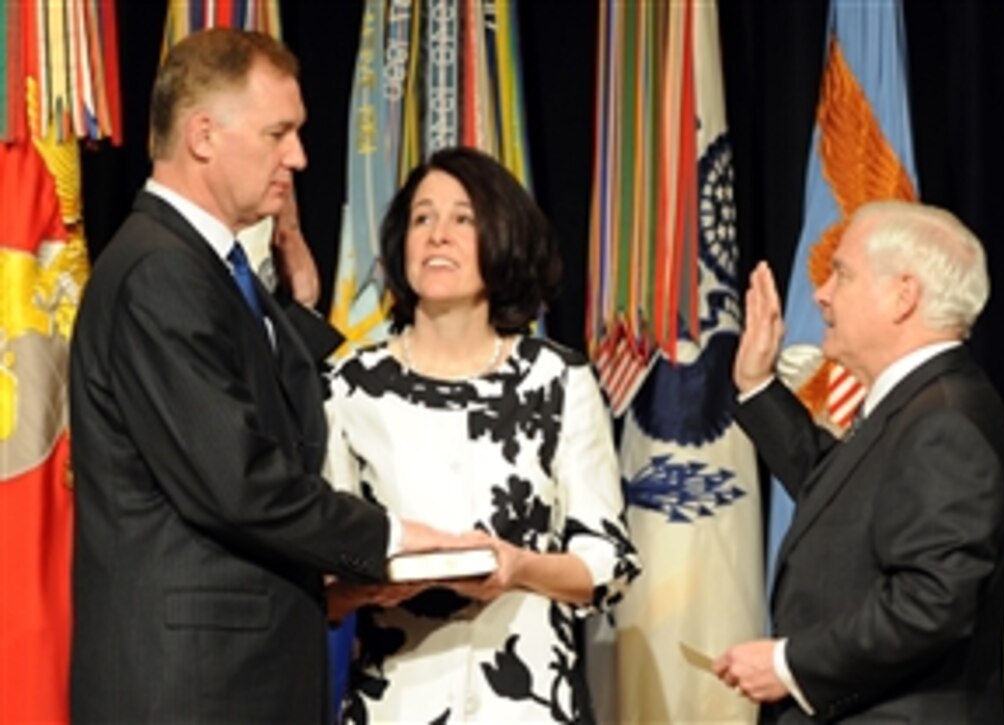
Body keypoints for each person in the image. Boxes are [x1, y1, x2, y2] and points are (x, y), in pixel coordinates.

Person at [69, 28, 467, 723]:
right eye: (278, 133)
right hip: (194, 688)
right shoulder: (161, 271)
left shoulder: (201, 268)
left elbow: (268, 404)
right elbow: (238, 480)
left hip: (233, 678)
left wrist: (297, 307)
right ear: (202, 136)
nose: (299, 157)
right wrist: (387, 539)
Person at [322, 146, 642, 724]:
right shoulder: (349, 387)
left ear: (503, 238)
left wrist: (517, 567)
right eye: (422, 218)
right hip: (398, 703)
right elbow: (324, 581)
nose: (438, 234)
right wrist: (371, 584)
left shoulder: (558, 380)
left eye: (462, 218)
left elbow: (606, 563)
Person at [714, 201, 1004, 723]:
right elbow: (836, 488)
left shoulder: (944, 422)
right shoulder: (922, 403)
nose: (821, 294)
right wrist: (758, 386)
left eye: (841, 273)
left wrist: (789, 663)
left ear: (904, 295)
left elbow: (932, 602)